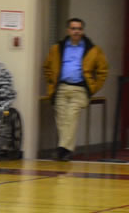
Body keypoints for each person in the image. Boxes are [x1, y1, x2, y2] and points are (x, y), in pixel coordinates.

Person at [43, 18, 108, 161]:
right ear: (68, 30)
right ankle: (65, 150)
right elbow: (47, 67)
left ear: (83, 31)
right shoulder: (57, 49)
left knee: (71, 116)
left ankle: (62, 149)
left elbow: (102, 71)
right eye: (73, 29)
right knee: (61, 119)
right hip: (61, 88)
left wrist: (93, 87)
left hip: (80, 89)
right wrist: (51, 82)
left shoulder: (93, 50)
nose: (76, 31)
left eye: (79, 29)